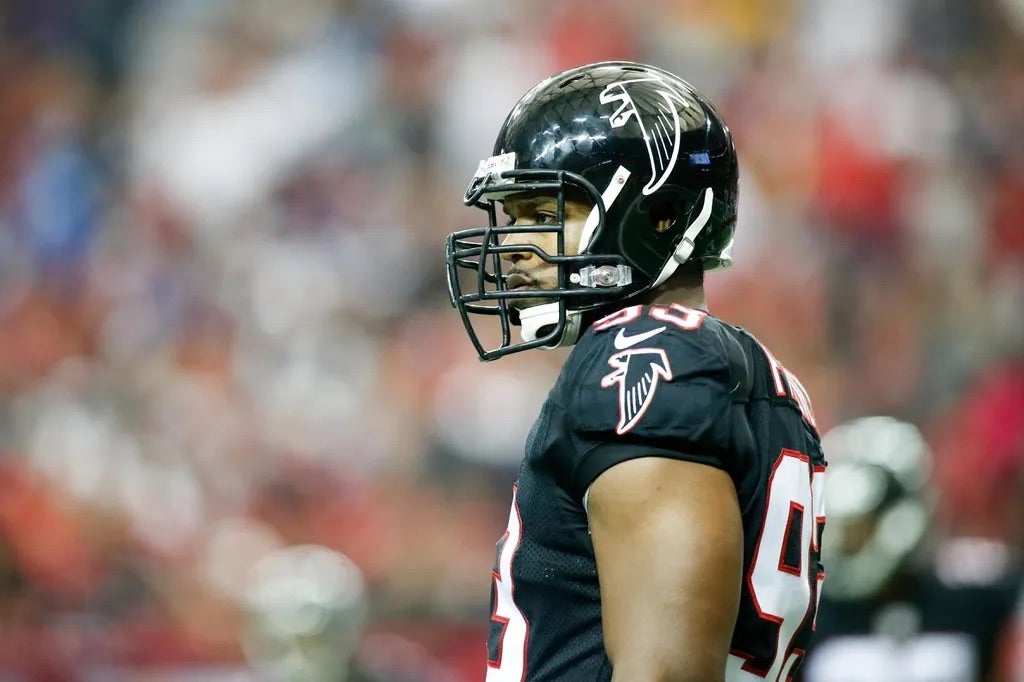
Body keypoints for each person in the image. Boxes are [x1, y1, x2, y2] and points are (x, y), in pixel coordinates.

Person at [444, 61, 827, 681]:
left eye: (544, 213)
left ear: (658, 215)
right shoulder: (745, 372)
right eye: (512, 217)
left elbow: (667, 673)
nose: (514, 245)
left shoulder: (644, 352)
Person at [801, 416, 1022, 682]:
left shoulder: (975, 601)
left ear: (899, 516)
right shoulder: (812, 616)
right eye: (844, 528)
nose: (846, 542)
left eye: (860, 527)